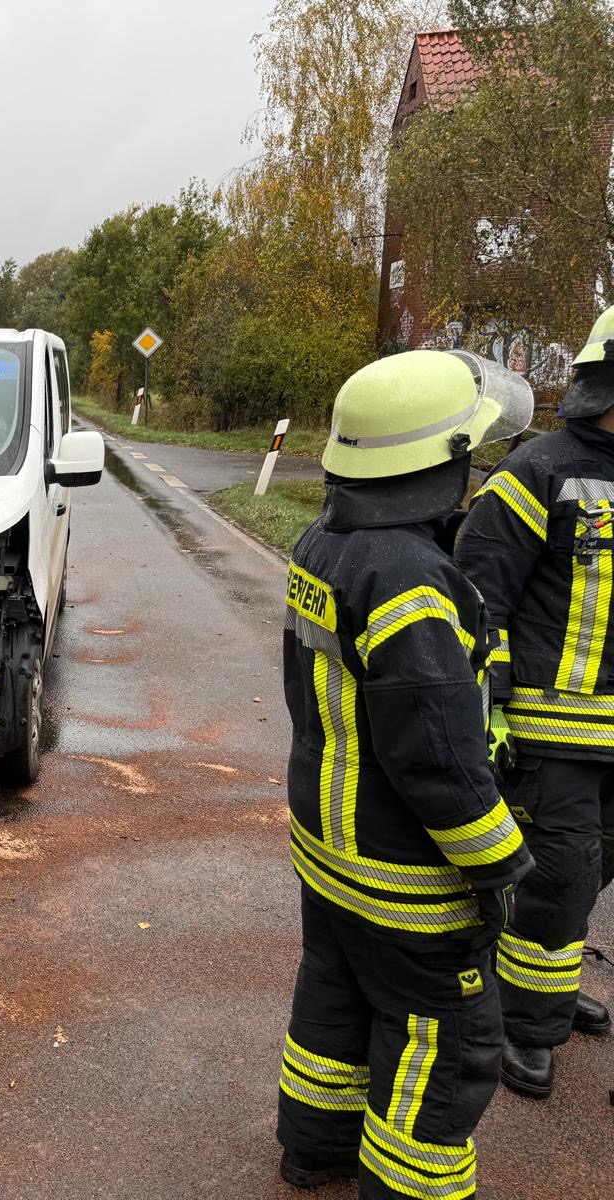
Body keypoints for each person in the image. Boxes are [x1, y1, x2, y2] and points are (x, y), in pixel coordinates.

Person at [277, 349, 535, 1196]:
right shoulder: (412, 580)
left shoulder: (325, 542)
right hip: (408, 877)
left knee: (337, 997)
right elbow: (436, 751)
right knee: (445, 1041)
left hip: (332, 851)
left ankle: (314, 1148)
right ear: (439, 462)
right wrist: (498, 859)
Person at [454, 306, 614, 1099]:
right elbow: (481, 599)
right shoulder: (538, 472)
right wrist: (497, 711)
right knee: (560, 873)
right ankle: (530, 1023)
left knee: (591, 873)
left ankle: (540, 981)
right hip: (555, 734)